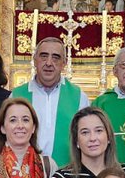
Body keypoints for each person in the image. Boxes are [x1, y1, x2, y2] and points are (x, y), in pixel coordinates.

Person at [10, 36, 89, 167]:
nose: (49, 63)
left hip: (65, 174)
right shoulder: (17, 95)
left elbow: (85, 138)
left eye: (56, 57)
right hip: (23, 171)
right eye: (43, 56)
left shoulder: (78, 96)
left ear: (64, 63)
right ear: (35, 60)